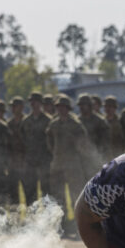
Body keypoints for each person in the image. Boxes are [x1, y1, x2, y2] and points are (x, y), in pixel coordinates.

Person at [47, 96, 90, 224]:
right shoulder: (53, 124)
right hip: (57, 165)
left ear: (68, 108)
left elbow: (83, 144)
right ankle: (61, 223)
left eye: (63, 107)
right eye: (58, 107)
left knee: (76, 194)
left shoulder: (76, 124)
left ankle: (78, 224)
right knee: (58, 196)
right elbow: (49, 141)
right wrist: (55, 153)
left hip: (73, 166)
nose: (60, 110)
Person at [21, 92, 53, 201]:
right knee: (30, 191)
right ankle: (33, 216)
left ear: (40, 103)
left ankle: (48, 216)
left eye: (35, 101)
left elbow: (53, 141)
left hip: (44, 161)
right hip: (30, 161)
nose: (33, 104)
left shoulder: (49, 120)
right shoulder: (26, 121)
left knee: (46, 191)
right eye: (31, 102)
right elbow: (23, 140)